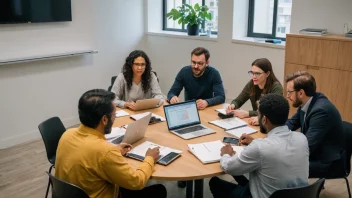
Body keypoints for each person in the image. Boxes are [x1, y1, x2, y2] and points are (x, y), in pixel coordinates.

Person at [55, 89, 167, 198]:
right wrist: (149, 158)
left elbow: (89, 157)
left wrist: (115, 151)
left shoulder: (67, 135)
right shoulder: (105, 151)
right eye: (114, 114)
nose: (115, 117)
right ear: (104, 119)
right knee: (159, 190)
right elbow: (136, 182)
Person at [209, 93, 309, 198]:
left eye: (258, 114)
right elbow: (276, 148)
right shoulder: (302, 139)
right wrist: (254, 142)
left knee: (215, 183)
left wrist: (226, 154)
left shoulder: (260, 147)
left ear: (264, 119)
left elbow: (229, 168)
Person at [285, 71, 345, 177]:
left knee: (281, 165)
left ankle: (294, 193)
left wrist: (277, 147)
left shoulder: (320, 110)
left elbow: (307, 146)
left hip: (326, 162)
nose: (287, 96)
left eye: (289, 92)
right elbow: (291, 123)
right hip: (316, 151)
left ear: (301, 93)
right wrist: (273, 130)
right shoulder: (307, 101)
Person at [226, 58, 283, 125]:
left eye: (257, 73)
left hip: (272, 124)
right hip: (256, 122)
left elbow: (272, 112)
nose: (254, 77)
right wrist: (233, 105)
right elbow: (238, 100)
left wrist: (248, 114)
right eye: (252, 73)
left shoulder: (276, 87)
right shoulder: (252, 84)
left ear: (267, 74)